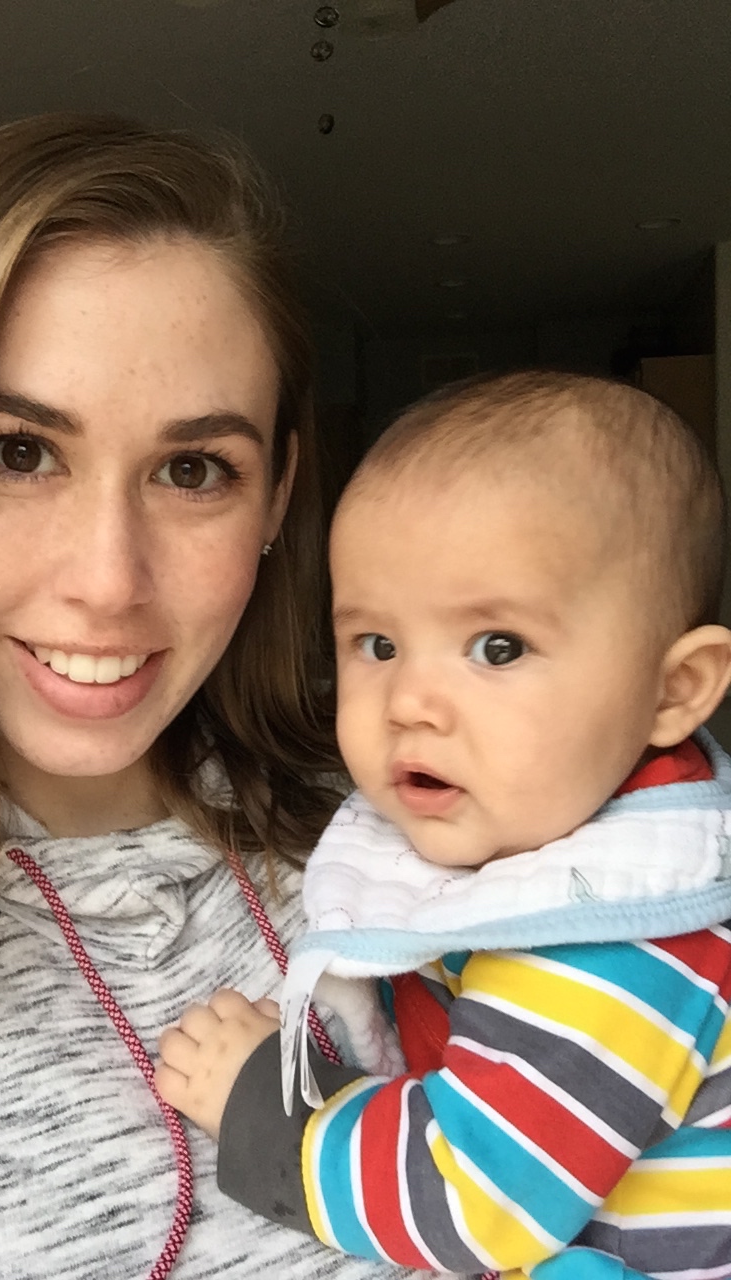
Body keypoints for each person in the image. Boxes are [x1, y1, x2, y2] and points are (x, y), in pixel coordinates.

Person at [0, 113, 432, 1280]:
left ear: (278, 496)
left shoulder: (419, 838)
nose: (108, 581)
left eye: (193, 470)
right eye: (17, 451)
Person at [156, 371, 731, 1280]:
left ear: (673, 691)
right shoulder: (533, 833)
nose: (410, 702)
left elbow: (475, 1200)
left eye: (497, 648)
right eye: (377, 645)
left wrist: (270, 1110)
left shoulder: (623, 938)